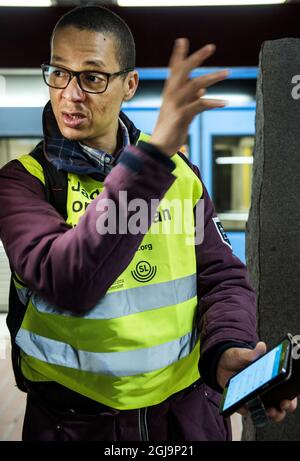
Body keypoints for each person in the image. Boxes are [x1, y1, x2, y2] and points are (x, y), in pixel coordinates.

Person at [0, 5, 296, 442]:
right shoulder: (24, 182)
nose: (70, 93)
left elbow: (221, 276)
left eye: (93, 77)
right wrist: (151, 160)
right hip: (74, 425)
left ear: (130, 84)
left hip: (184, 420)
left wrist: (226, 347)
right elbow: (70, 280)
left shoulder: (179, 174)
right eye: (58, 72)